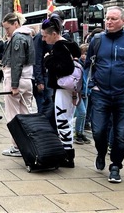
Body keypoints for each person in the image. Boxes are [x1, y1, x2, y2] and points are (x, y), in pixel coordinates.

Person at [84, 6, 124, 183]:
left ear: (123, 21)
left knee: (120, 133)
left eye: (113, 19)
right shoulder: (97, 40)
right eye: (107, 18)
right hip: (100, 93)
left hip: (123, 94)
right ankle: (101, 152)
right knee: (98, 130)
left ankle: (116, 166)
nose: (108, 22)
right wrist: (92, 85)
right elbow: (88, 65)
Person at [42, 14, 81, 167]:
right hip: (70, 89)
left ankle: (67, 156)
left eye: (45, 36)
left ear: (54, 34)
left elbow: (65, 68)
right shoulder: (69, 43)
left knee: (62, 121)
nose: (44, 39)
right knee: (66, 119)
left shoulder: (59, 46)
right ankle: (67, 153)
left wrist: (47, 60)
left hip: (62, 88)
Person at [1, 12, 35, 156]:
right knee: (26, 114)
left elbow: (17, 62)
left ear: (15, 24)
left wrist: (14, 85)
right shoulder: (28, 36)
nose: (6, 32)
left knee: (13, 115)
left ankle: (16, 146)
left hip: (15, 80)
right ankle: (28, 144)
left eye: (7, 28)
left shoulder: (17, 38)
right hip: (27, 80)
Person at [33, 10, 70, 131]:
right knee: (47, 106)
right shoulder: (41, 37)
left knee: (56, 107)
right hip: (46, 77)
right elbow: (37, 59)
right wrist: (39, 80)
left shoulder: (64, 36)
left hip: (59, 79)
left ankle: (53, 131)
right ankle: (44, 131)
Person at [73, 43, 91, 145]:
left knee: (83, 114)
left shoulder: (89, 65)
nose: (84, 56)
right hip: (79, 92)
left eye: (86, 54)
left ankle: (81, 132)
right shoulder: (77, 64)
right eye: (82, 53)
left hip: (86, 91)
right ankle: (77, 133)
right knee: (82, 112)